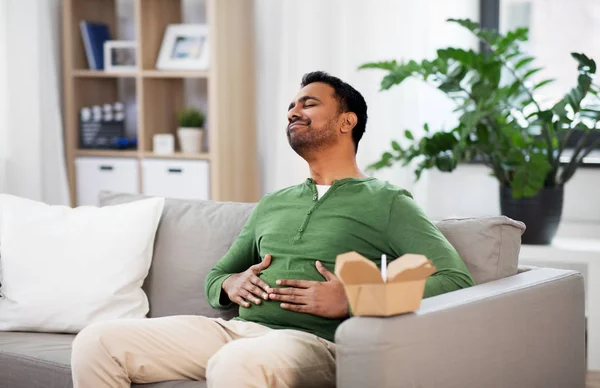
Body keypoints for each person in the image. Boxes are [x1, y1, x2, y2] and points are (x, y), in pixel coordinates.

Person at [71, 71, 475, 388]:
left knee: (236, 364)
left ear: (346, 121)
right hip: (236, 331)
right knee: (97, 342)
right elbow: (217, 276)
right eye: (290, 107)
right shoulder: (274, 202)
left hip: (315, 343)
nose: (293, 112)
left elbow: (455, 278)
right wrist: (231, 285)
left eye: (308, 103)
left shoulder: (386, 200)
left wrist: (353, 299)